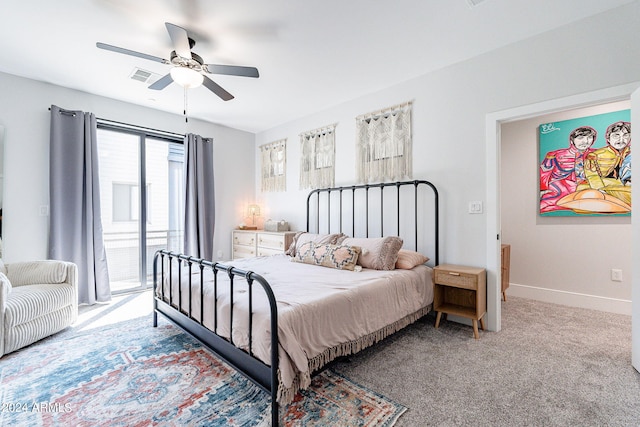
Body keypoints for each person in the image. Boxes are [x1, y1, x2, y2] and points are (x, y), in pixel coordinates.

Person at [539, 126, 597, 213]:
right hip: (559, 189)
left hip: (587, 189)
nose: (585, 141)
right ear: (571, 140)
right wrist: (542, 190)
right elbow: (544, 173)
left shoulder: (597, 154)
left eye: (589, 138)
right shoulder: (555, 155)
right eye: (580, 138)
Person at [582, 121, 631, 206]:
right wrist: (599, 190)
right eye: (616, 135)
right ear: (608, 138)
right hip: (602, 187)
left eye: (626, 135)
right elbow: (591, 176)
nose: (621, 139)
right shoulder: (595, 155)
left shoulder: (632, 153)